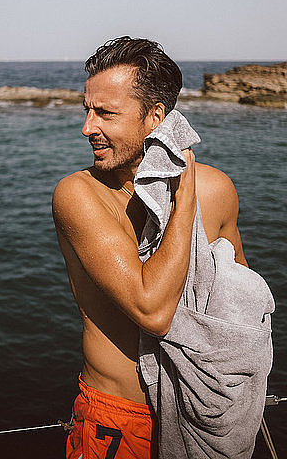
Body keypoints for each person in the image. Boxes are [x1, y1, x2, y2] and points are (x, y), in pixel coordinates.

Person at [52, 36, 248, 459]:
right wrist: (185, 200)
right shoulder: (80, 195)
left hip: (202, 412)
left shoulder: (219, 189)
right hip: (118, 419)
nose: (88, 127)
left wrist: (235, 400)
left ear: (155, 117)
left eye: (105, 113)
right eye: (86, 110)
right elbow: (152, 312)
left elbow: (241, 312)